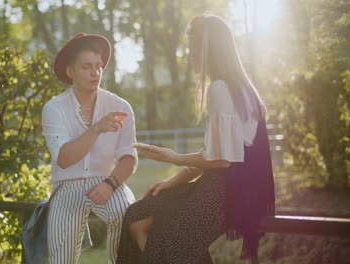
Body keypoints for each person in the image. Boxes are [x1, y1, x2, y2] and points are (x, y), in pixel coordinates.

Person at [116, 14, 275, 264]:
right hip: (218, 185)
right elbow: (214, 153)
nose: (189, 57)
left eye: (192, 50)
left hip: (228, 192)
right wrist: (174, 181)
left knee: (170, 243)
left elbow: (223, 161)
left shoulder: (221, 89)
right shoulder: (235, 88)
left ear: (208, 51)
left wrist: (173, 158)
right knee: (137, 216)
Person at [42, 33, 138, 264]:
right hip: (67, 185)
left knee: (126, 214)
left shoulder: (120, 106)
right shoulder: (54, 108)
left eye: (98, 66)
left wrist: (111, 184)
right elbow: (64, 159)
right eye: (86, 67)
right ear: (70, 71)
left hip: (108, 181)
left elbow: (129, 156)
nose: (95, 73)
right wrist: (96, 129)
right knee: (60, 257)